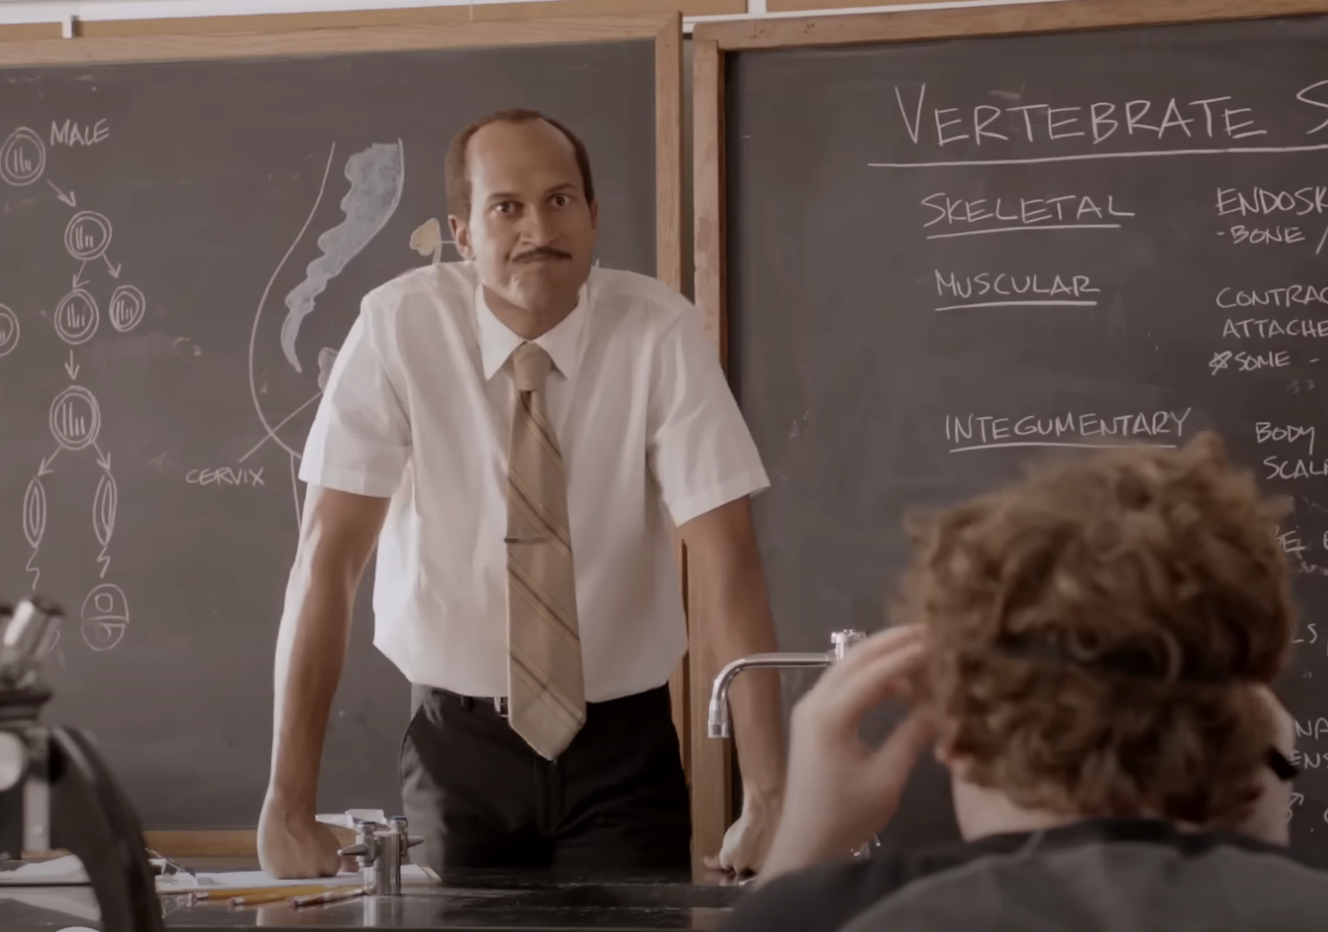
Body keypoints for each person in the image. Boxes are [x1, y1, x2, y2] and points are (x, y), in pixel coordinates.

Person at [256, 108, 786, 878]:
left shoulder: (660, 332)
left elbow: (727, 561)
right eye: (506, 206)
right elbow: (326, 560)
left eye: (561, 199)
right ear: (463, 233)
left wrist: (768, 794)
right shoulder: (398, 328)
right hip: (456, 749)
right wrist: (286, 801)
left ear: (596, 217)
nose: (539, 227)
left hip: (624, 750)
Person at [720, 433, 1327, 932]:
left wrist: (798, 852)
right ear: (1251, 729)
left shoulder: (828, 917)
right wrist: (1261, 836)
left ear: (958, 734)